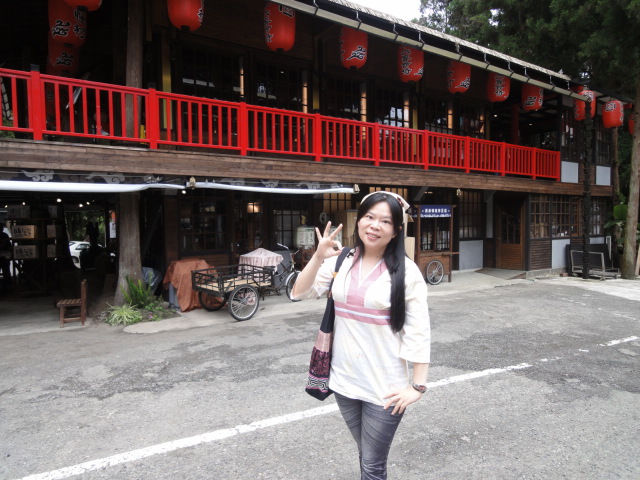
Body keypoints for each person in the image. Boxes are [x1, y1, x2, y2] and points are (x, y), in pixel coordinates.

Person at [292, 191, 430, 479]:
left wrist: (417, 386)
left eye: (385, 221)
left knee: (372, 465)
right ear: (359, 221)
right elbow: (299, 293)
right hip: (344, 381)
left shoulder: (407, 272)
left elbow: (418, 330)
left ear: (396, 231)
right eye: (369, 217)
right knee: (366, 453)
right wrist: (318, 256)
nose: (375, 225)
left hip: (385, 388)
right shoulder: (342, 260)